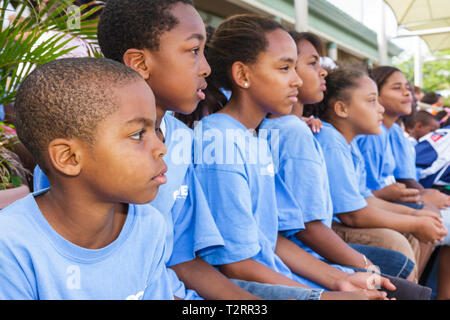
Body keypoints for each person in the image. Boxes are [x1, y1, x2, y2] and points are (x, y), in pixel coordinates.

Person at [193, 14, 396, 300]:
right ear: (243, 75)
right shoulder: (221, 143)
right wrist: (320, 296)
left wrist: (341, 281)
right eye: (285, 68)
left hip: (282, 277)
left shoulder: (252, 137)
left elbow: (272, 239)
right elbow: (235, 264)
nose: (297, 80)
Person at [0, 57, 174, 299]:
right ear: (69, 157)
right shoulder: (10, 246)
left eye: (155, 130)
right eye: (137, 134)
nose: (161, 147)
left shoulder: (149, 225)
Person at [259, 31, 417, 283]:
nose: (322, 72)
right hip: (308, 250)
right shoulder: (302, 132)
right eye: (311, 63)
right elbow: (314, 226)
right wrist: (363, 266)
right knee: (397, 251)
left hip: (309, 246)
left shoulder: (305, 128)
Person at [314, 67, 447, 283]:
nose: (380, 109)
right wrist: (413, 221)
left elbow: (367, 199)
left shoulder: (349, 144)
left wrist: (415, 216)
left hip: (345, 220)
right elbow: (352, 214)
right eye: (372, 101)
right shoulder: (331, 142)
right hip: (331, 227)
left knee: (418, 224)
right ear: (341, 108)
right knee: (395, 242)